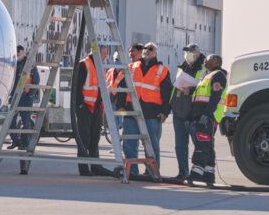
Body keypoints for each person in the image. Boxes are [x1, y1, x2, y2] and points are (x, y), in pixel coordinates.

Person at [121, 42, 171, 178]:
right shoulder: (131, 67)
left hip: (152, 114)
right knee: (129, 144)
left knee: (152, 146)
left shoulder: (162, 70)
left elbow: (167, 94)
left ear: (156, 53)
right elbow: (121, 87)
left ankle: (152, 172)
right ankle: (132, 172)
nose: (147, 51)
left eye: (151, 49)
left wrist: (165, 112)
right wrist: (120, 105)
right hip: (132, 112)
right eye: (145, 48)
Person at [187, 53, 228, 185]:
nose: (205, 61)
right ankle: (208, 175)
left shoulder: (218, 76)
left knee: (202, 145)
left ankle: (196, 174)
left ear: (216, 61)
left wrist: (206, 114)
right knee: (208, 146)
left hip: (208, 117)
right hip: (201, 116)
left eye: (208, 59)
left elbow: (215, 97)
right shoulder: (207, 76)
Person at [170, 43, 205, 180]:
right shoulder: (182, 68)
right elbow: (174, 89)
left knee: (199, 145)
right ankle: (182, 172)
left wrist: (191, 90)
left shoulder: (203, 68)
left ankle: (199, 173)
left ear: (197, 53)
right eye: (186, 52)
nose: (188, 54)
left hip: (194, 114)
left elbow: (204, 88)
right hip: (179, 111)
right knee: (180, 146)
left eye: (191, 52)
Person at [73, 44, 109, 176]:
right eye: (104, 53)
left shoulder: (100, 67)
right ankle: (84, 168)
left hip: (96, 108)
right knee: (84, 139)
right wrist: (80, 105)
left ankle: (95, 166)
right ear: (97, 53)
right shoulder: (84, 64)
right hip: (85, 108)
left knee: (95, 138)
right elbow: (77, 87)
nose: (105, 56)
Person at [9, 45, 40, 149]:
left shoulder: (30, 64)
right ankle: (15, 141)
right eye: (15, 51)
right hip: (14, 96)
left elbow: (36, 80)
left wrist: (30, 94)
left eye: (19, 51)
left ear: (23, 52)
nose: (17, 53)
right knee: (10, 120)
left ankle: (25, 143)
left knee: (26, 121)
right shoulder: (13, 64)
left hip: (26, 97)